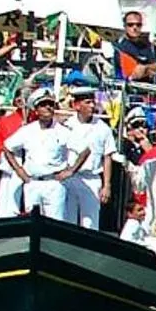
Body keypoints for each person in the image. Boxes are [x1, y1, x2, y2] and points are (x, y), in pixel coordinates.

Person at [0, 90, 73, 219]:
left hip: (54, 183)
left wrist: (71, 171)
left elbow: (85, 150)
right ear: (36, 110)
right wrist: (19, 170)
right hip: (32, 182)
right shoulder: (27, 130)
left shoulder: (63, 131)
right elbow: (7, 147)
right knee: (31, 221)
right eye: (44, 105)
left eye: (51, 104)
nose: (48, 108)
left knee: (55, 223)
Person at [58, 85, 113, 228]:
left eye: (93, 102)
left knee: (90, 223)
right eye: (87, 102)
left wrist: (107, 185)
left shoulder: (103, 128)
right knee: (67, 221)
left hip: (91, 178)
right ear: (76, 105)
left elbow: (107, 157)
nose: (92, 106)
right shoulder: (67, 125)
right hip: (70, 178)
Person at [115, 11, 156, 83]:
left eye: (138, 25)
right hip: (129, 89)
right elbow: (136, 73)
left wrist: (145, 68)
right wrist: (149, 69)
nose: (135, 27)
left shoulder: (145, 46)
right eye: (130, 25)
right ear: (125, 26)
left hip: (148, 88)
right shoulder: (120, 47)